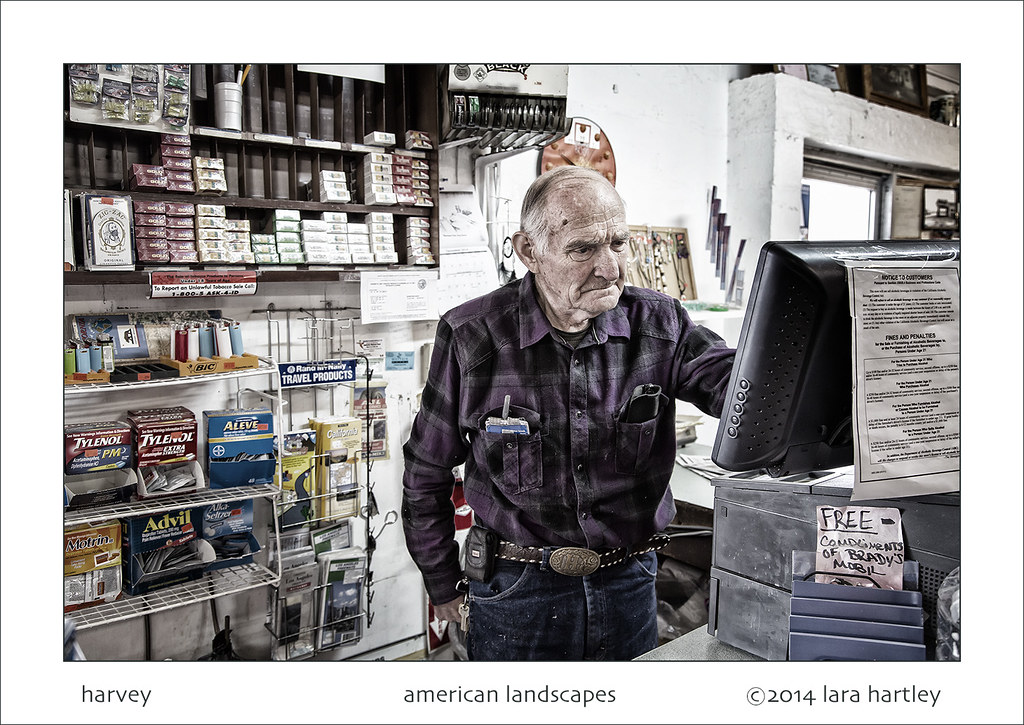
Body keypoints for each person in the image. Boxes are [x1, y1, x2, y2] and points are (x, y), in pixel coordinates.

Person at [401, 166, 735, 660]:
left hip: (629, 580)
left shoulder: (660, 324)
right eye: (583, 249)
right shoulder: (473, 337)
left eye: (618, 244)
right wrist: (442, 579)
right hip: (516, 590)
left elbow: (738, 388)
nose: (611, 268)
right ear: (529, 251)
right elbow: (426, 474)